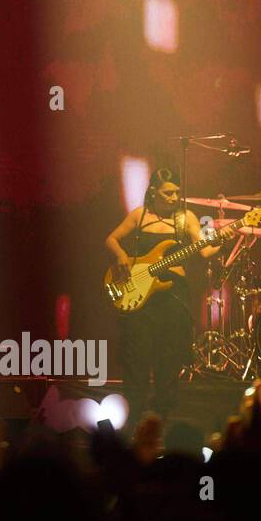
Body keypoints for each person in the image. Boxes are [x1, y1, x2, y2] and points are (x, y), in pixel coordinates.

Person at [105, 168, 221, 419]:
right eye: (168, 192)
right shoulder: (140, 215)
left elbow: (204, 251)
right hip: (140, 295)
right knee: (136, 354)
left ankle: (163, 416)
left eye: (177, 192)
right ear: (153, 192)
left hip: (173, 295)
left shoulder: (186, 217)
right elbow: (111, 239)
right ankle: (134, 414)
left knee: (170, 354)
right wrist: (122, 256)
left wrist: (227, 239)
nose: (174, 197)